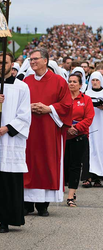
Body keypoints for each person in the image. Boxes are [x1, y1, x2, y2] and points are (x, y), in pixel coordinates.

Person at [0, 51, 31, 233]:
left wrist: (8, 128)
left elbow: (25, 116)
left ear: (12, 65)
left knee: (7, 181)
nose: (2, 65)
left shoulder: (22, 87)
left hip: (10, 141)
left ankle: (5, 220)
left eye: (5, 62)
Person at [23, 47, 73, 216]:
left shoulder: (58, 81)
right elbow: (17, 103)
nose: (32, 62)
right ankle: (27, 204)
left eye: (35, 59)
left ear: (45, 60)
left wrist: (49, 108)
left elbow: (67, 105)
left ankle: (43, 205)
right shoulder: (25, 82)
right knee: (28, 163)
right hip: (29, 131)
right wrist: (28, 107)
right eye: (30, 60)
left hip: (48, 130)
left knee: (46, 162)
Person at [64, 74, 94, 207]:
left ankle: (71, 196)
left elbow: (89, 118)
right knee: (64, 166)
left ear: (80, 85)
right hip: (64, 136)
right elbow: (57, 114)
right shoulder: (62, 99)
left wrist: (75, 128)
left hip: (79, 137)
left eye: (74, 82)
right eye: (69, 81)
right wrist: (66, 127)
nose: (71, 84)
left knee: (75, 166)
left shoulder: (86, 99)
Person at [83, 72, 103, 187]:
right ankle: (89, 177)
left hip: (101, 125)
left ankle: (98, 178)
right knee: (90, 150)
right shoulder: (86, 94)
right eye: (93, 80)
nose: (95, 82)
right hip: (90, 125)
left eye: (97, 80)